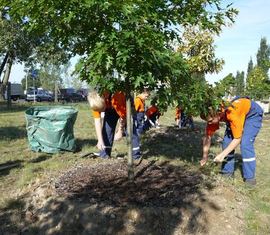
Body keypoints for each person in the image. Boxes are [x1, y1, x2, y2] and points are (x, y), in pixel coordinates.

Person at [200, 96, 263, 186]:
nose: (209, 123)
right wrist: (204, 157)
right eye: (207, 121)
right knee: (226, 143)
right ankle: (227, 173)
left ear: (216, 114)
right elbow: (207, 137)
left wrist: (222, 155)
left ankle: (250, 178)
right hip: (238, 115)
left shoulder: (232, 113)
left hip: (252, 114)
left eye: (210, 121)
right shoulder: (213, 114)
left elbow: (237, 138)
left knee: (245, 144)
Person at [87, 91, 141, 159]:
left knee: (130, 130)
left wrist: (120, 131)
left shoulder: (116, 97)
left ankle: (135, 155)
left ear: (104, 101)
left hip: (124, 107)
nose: (102, 112)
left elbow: (123, 116)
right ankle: (105, 154)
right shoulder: (95, 101)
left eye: (102, 109)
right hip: (110, 109)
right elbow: (97, 121)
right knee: (107, 130)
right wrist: (100, 140)